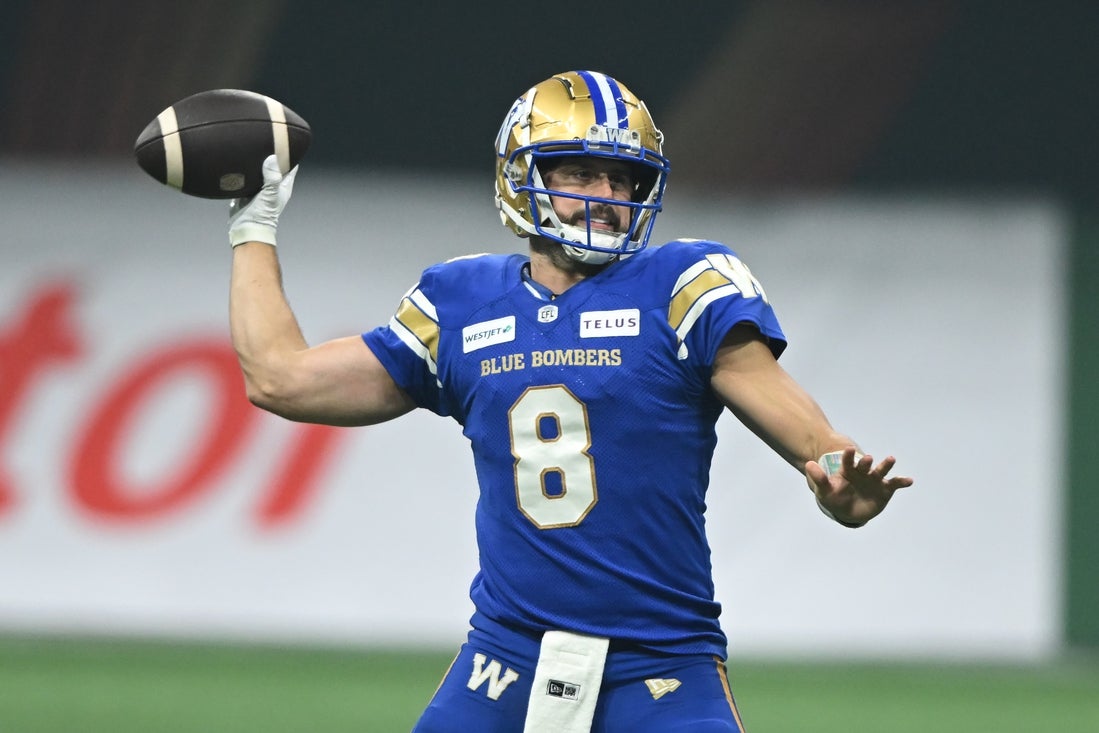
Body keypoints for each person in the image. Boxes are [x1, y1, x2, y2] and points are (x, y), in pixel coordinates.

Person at [225, 70, 912, 733]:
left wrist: (841, 482)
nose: (607, 195)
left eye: (622, 178)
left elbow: (813, 440)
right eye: (581, 173)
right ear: (521, 177)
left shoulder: (681, 285)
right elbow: (279, 378)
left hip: (661, 662)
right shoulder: (459, 302)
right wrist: (253, 226)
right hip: (506, 657)